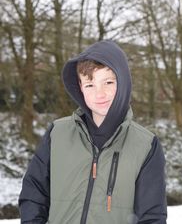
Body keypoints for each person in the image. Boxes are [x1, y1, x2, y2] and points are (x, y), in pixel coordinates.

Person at [19, 40, 167, 224]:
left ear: (123, 83)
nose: (100, 93)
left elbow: (152, 218)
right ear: (80, 88)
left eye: (108, 82)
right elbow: (34, 194)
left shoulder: (146, 146)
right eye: (90, 85)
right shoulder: (57, 133)